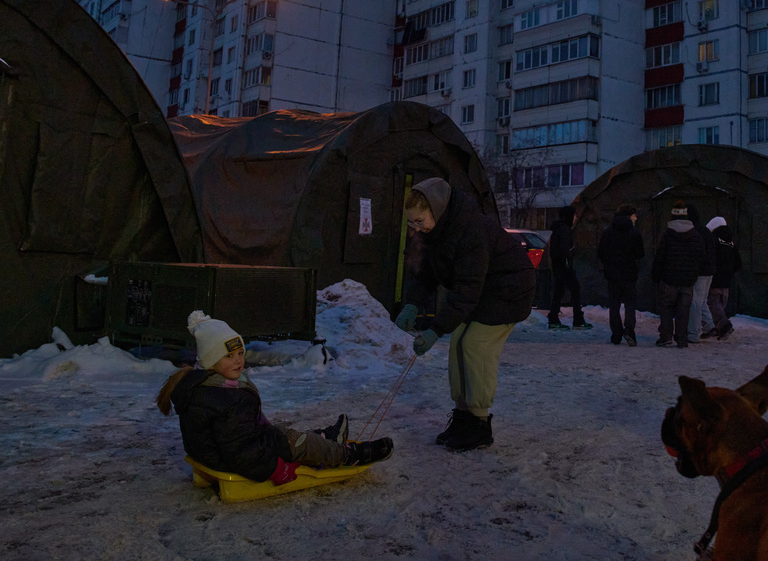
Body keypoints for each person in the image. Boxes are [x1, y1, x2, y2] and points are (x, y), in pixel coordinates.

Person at [157, 311, 393, 485]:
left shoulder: (201, 386)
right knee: (299, 444)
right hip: (241, 460)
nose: (239, 360)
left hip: (215, 455)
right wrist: (275, 470)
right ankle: (347, 455)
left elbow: (237, 436)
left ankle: (325, 437)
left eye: (240, 353)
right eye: (229, 356)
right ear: (211, 361)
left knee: (285, 435)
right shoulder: (227, 399)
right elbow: (242, 452)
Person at [395, 177, 536, 452]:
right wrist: (412, 304)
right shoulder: (435, 233)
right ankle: (463, 416)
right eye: (411, 222)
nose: (416, 228)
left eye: (419, 220)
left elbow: (466, 290)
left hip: (509, 291)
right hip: (483, 291)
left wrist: (435, 329)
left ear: (436, 210)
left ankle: (480, 424)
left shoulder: (471, 230)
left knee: (475, 344)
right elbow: (427, 273)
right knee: (458, 341)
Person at [651, 200, 706, 348]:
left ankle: (666, 337)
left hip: (669, 280)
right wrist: (694, 274)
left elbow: (660, 257)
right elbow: (701, 257)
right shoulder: (696, 236)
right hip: (688, 281)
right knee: (684, 311)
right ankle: (682, 339)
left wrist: (656, 276)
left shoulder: (667, 236)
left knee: (667, 308)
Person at [598, 203, 645, 346]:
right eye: (634, 215)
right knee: (630, 304)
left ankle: (616, 334)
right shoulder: (634, 233)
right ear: (628, 216)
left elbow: (601, 252)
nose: (636, 218)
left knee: (614, 304)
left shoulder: (608, 231)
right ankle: (629, 330)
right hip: (629, 274)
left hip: (612, 274)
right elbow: (640, 254)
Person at [546, 205, 592, 330]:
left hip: (558, 265)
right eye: (574, 215)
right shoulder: (565, 230)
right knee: (575, 290)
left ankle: (553, 318)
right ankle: (578, 320)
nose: (576, 218)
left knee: (559, 291)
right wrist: (571, 253)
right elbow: (565, 249)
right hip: (564, 265)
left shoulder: (557, 229)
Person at [701, 216, 742, 340]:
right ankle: (716, 329)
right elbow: (738, 263)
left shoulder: (713, 241)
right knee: (719, 306)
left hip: (714, 280)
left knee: (710, 304)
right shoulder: (731, 243)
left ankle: (724, 326)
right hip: (726, 282)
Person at [686, 203, 717, 344]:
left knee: (695, 303)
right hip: (709, 271)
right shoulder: (705, 231)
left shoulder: (694, 232)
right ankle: (709, 326)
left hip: (700, 272)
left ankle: (693, 333)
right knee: (702, 300)